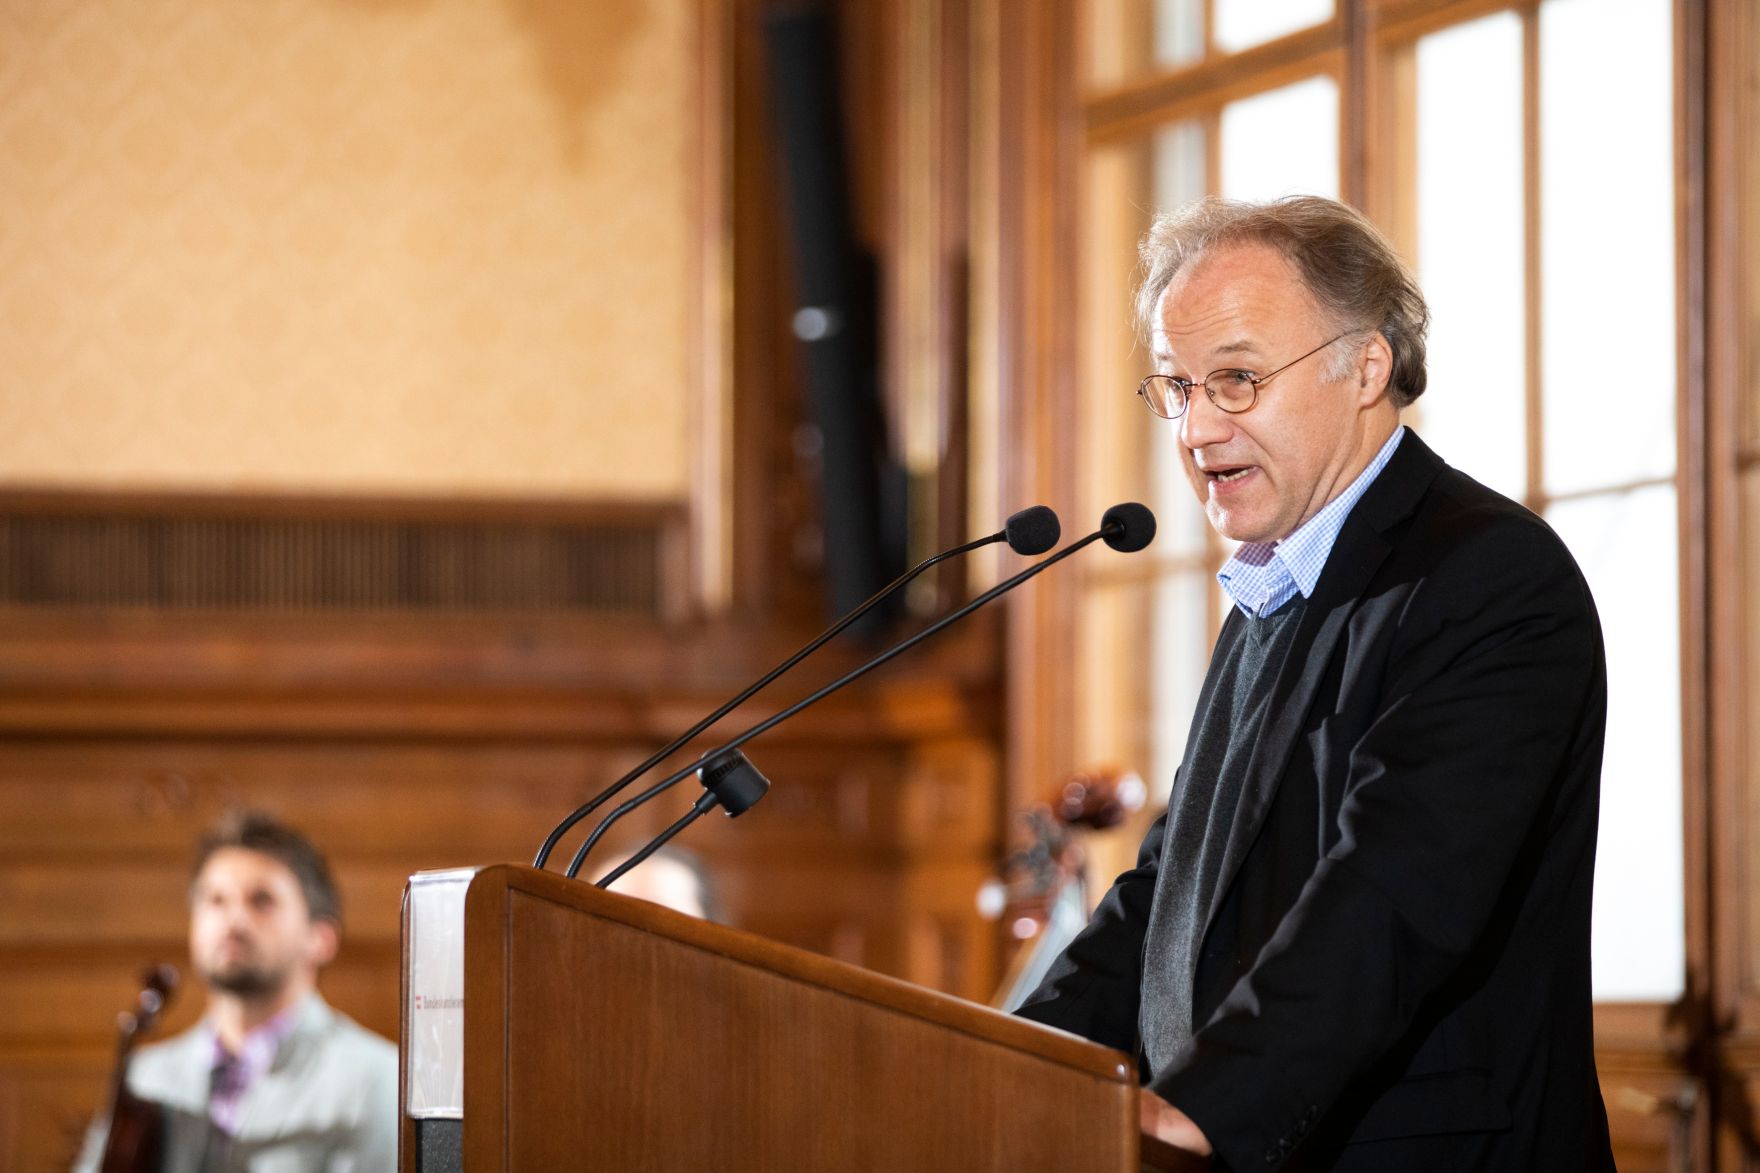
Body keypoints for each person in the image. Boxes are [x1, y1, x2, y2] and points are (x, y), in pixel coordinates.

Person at [1014, 196, 1614, 1170]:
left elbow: (1392, 893)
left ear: (1364, 367)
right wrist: (1011, 1061)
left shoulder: (1487, 577)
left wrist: (1200, 1110)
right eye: (1176, 387)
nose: (1196, 427)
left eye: (1237, 380)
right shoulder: (1273, 583)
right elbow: (1172, 894)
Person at [75, 811, 398, 1172]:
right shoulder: (148, 1077)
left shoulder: (379, 1080)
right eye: (215, 900)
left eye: (262, 900)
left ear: (320, 938)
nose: (234, 921)